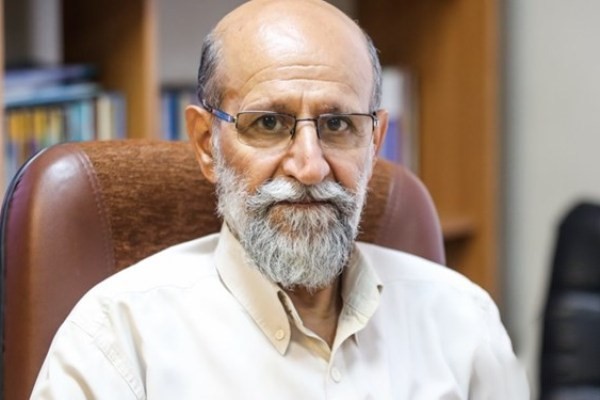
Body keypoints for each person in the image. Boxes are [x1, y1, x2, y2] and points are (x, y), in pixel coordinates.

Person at [30, 0, 529, 398]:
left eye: (338, 124)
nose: (309, 167)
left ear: (375, 143)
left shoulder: (463, 322)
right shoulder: (118, 339)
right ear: (206, 144)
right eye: (268, 123)